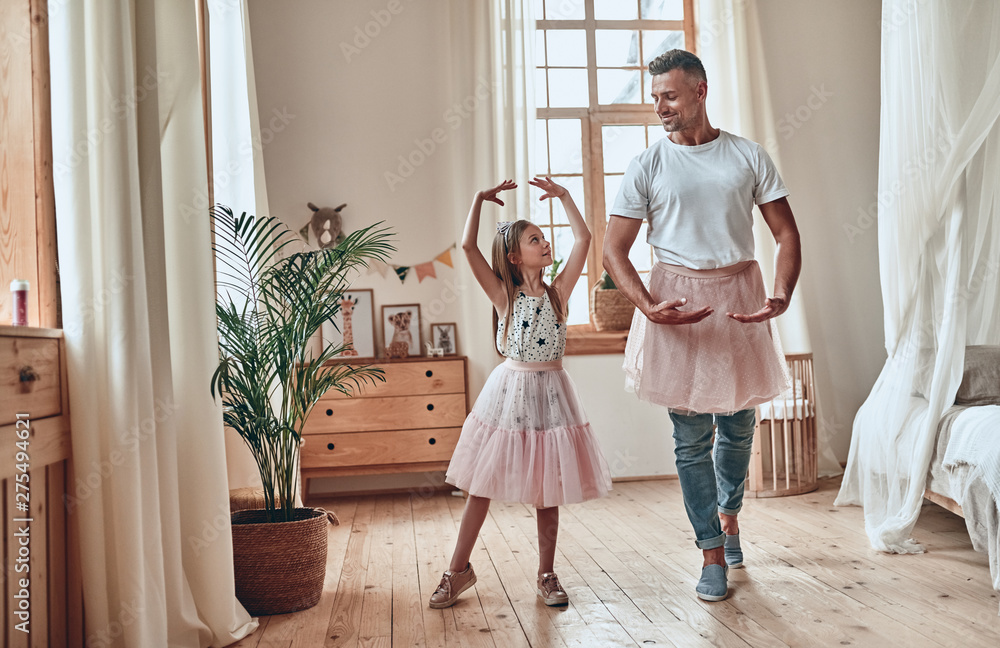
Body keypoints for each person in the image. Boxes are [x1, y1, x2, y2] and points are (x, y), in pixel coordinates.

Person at [603, 49, 801, 602]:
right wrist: (645, 304)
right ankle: (711, 551)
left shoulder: (747, 156)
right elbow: (613, 250)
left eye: (669, 95)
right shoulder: (647, 165)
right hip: (675, 305)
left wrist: (780, 292)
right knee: (691, 439)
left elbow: (786, 234)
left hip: (740, 297)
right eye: (655, 98)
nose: (660, 107)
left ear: (700, 91)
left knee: (738, 428)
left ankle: (729, 513)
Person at [428, 177, 612, 609]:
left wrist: (565, 197)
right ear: (514, 256)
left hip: (552, 396)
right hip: (509, 394)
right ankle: (457, 571)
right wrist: (476, 199)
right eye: (535, 240)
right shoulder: (503, 296)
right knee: (480, 486)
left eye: (545, 239)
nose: (545, 244)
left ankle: (547, 574)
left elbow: (584, 237)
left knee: (548, 491)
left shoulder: (559, 293)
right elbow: (469, 249)